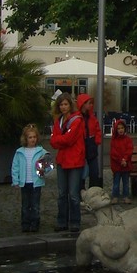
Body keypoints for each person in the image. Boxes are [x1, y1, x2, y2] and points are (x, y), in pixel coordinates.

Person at [49, 92, 86, 233]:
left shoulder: (77, 120)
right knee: (61, 193)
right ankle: (62, 221)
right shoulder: (58, 120)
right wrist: (59, 140)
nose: (63, 107)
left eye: (65, 104)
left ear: (70, 105)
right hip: (62, 160)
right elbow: (54, 141)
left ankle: (75, 222)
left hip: (75, 160)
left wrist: (58, 139)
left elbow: (67, 139)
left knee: (73, 194)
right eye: (61, 104)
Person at [11, 123, 51, 233]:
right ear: (25, 138)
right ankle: (25, 223)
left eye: (34, 137)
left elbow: (48, 164)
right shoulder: (19, 152)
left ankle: (35, 223)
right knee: (25, 205)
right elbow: (15, 167)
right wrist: (15, 180)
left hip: (36, 182)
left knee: (35, 205)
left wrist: (44, 171)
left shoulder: (41, 151)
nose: (32, 139)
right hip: (24, 182)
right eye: (30, 137)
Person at [76, 92, 102, 190]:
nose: (91, 105)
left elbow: (97, 130)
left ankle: (93, 192)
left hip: (91, 148)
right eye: (89, 103)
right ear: (83, 104)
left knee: (94, 173)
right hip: (81, 148)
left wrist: (97, 141)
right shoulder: (77, 117)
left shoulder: (92, 117)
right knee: (81, 174)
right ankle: (81, 192)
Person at [110, 118, 134, 204]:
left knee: (126, 182)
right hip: (117, 165)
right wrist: (121, 160)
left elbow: (129, 150)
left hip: (125, 165)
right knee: (116, 183)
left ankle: (126, 196)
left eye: (122, 128)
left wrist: (125, 159)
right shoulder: (114, 141)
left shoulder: (128, 140)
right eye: (119, 128)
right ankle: (115, 196)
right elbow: (113, 153)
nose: (120, 130)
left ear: (125, 129)